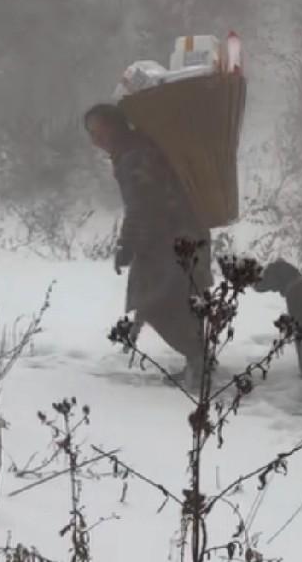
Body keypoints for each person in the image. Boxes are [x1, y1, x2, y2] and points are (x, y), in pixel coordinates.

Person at [84, 103, 212, 388]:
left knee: (156, 302)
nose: (96, 138)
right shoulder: (136, 148)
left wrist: (126, 245)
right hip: (185, 233)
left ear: (116, 125)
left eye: (100, 129)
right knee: (182, 300)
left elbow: (142, 206)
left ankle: (198, 364)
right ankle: (198, 364)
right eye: (91, 133)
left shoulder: (133, 157)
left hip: (171, 239)